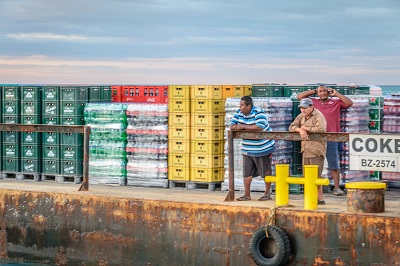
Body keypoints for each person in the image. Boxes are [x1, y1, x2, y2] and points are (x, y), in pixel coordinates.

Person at [296, 85, 353, 196]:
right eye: (320, 91)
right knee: (314, 164)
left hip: (331, 137)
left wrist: (336, 93)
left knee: (334, 163)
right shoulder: (313, 103)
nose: (322, 93)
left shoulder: (336, 102)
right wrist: (314, 91)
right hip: (316, 138)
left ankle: (336, 187)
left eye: (324, 91)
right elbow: (300, 97)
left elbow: (349, 103)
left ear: (328, 92)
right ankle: (314, 189)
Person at [230, 96, 276, 201]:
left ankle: (267, 193)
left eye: (242, 105)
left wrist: (242, 126)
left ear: (248, 106)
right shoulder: (239, 112)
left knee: (266, 172)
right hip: (247, 148)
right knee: (247, 172)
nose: (240, 107)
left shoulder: (259, 113)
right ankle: (247, 195)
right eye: (240, 105)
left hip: (263, 148)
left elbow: (259, 127)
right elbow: (232, 125)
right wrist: (239, 126)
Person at [289, 98, 327, 204]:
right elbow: (292, 126)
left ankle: (320, 198)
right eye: (301, 108)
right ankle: (312, 197)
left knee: (317, 175)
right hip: (305, 149)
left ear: (311, 107)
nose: (303, 110)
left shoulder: (318, 115)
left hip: (317, 149)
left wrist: (306, 128)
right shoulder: (301, 116)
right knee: (307, 176)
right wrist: (300, 129)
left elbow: (321, 129)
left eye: (305, 108)